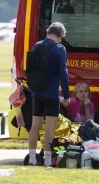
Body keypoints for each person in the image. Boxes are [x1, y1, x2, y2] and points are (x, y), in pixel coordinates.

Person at [28, 22, 70, 166]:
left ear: (48, 32)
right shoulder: (60, 48)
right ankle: (47, 159)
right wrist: (66, 95)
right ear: (60, 36)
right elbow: (63, 74)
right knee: (50, 127)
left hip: (36, 91)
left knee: (35, 126)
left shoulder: (37, 45)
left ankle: (32, 158)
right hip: (52, 93)